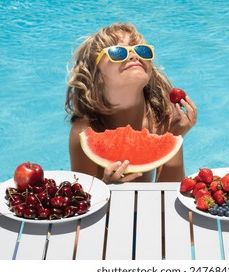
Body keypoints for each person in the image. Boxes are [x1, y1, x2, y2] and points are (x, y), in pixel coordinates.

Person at [65, 22, 197, 183]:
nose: (134, 56)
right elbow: (85, 198)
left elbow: (167, 192)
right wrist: (107, 185)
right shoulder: (84, 131)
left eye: (142, 51)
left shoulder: (160, 116)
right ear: (94, 72)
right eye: (118, 52)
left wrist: (175, 136)